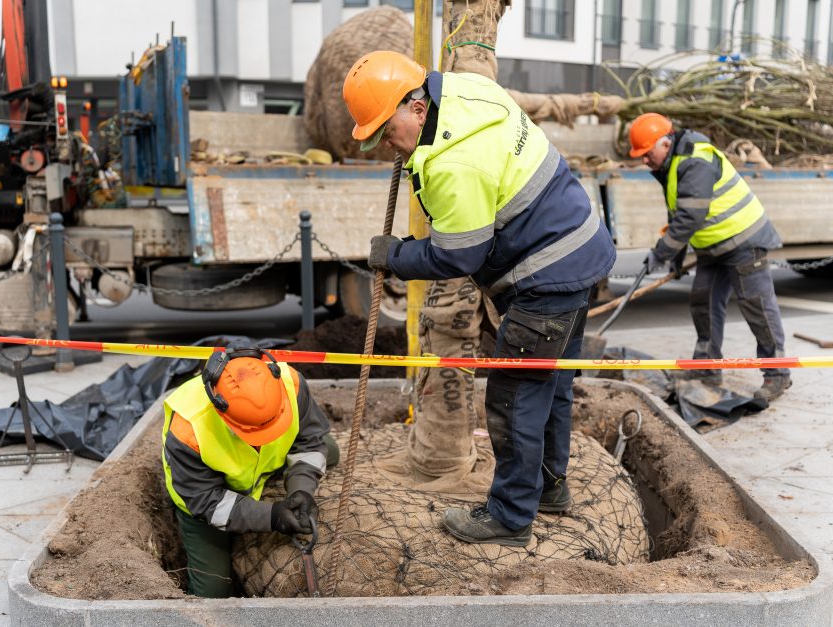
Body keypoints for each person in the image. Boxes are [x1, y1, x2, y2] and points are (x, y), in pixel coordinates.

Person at [342, 51, 617, 547]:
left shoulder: (453, 163)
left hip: (547, 275)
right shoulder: (468, 90)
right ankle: (550, 488)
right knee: (550, 386)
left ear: (418, 108)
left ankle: (511, 517)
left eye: (387, 128)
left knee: (513, 396)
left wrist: (396, 255)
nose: (386, 143)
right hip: (582, 248)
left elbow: (458, 255)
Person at [628, 112, 791, 402]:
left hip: (743, 240)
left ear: (665, 143)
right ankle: (706, 367)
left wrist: (661, 252)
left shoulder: (694, 160)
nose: (643, 160)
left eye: (646, 152)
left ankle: (777, 373)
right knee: (703, 301)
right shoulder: (672, 163)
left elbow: (690, 215)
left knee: (757, 307)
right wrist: (675, 257)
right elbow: (678, 212)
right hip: (714, 247)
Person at [161, 345, 337, 597]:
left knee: (328, 450)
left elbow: (309, 441)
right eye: (254, 434)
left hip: (264, 467)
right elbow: (207, 502)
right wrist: (272, 516)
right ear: (221, 411)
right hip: (207, 499)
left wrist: (302, 489)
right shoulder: (188, 429)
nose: (263, 439)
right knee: (213, 591)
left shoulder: (292, 385)